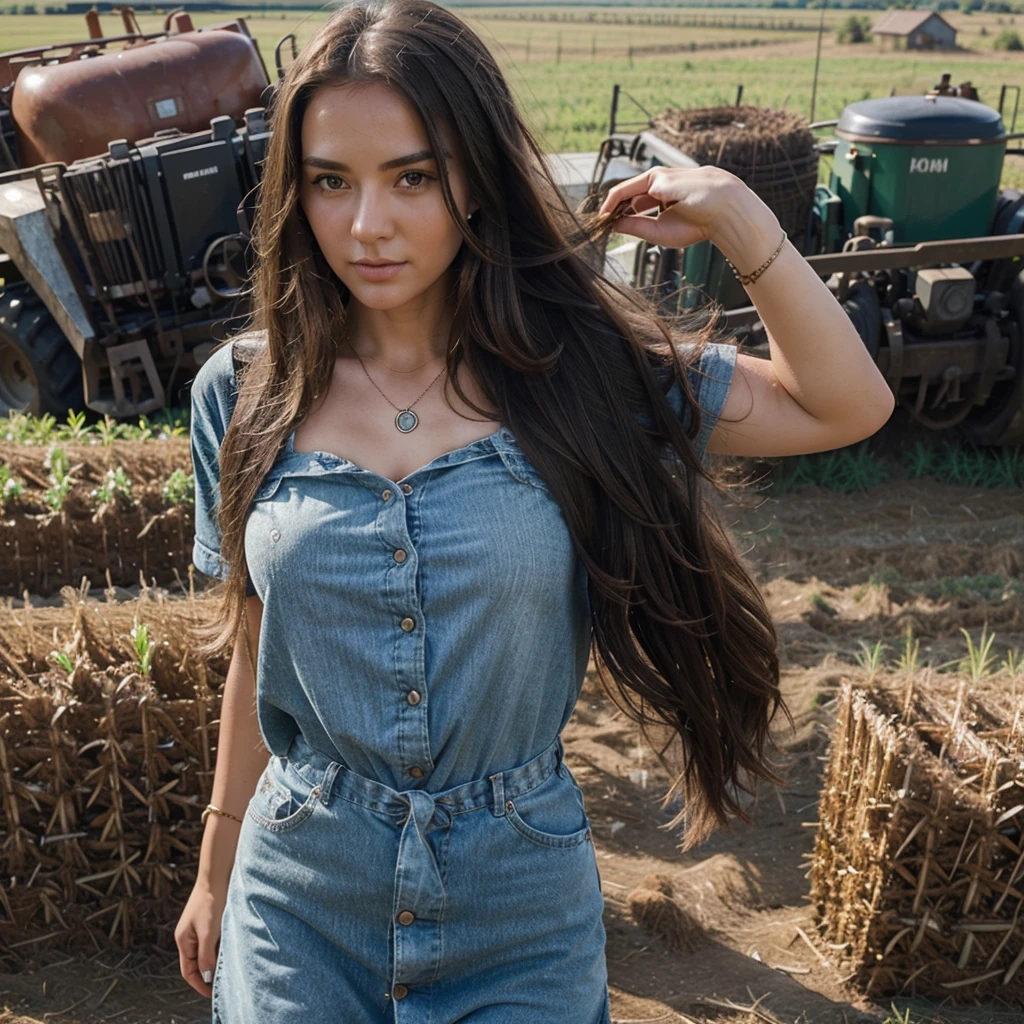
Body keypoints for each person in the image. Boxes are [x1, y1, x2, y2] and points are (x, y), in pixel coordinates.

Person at [174, 0, 895, 1019]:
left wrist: (741, 217)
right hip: (300, 894)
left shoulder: (582, 375)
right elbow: (256, 637)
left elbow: (845, 404)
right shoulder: (244, 391)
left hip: (515, 902)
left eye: (411, 176)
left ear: (475, 177)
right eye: (331, 181)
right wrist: (217, 859)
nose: (366, 224)